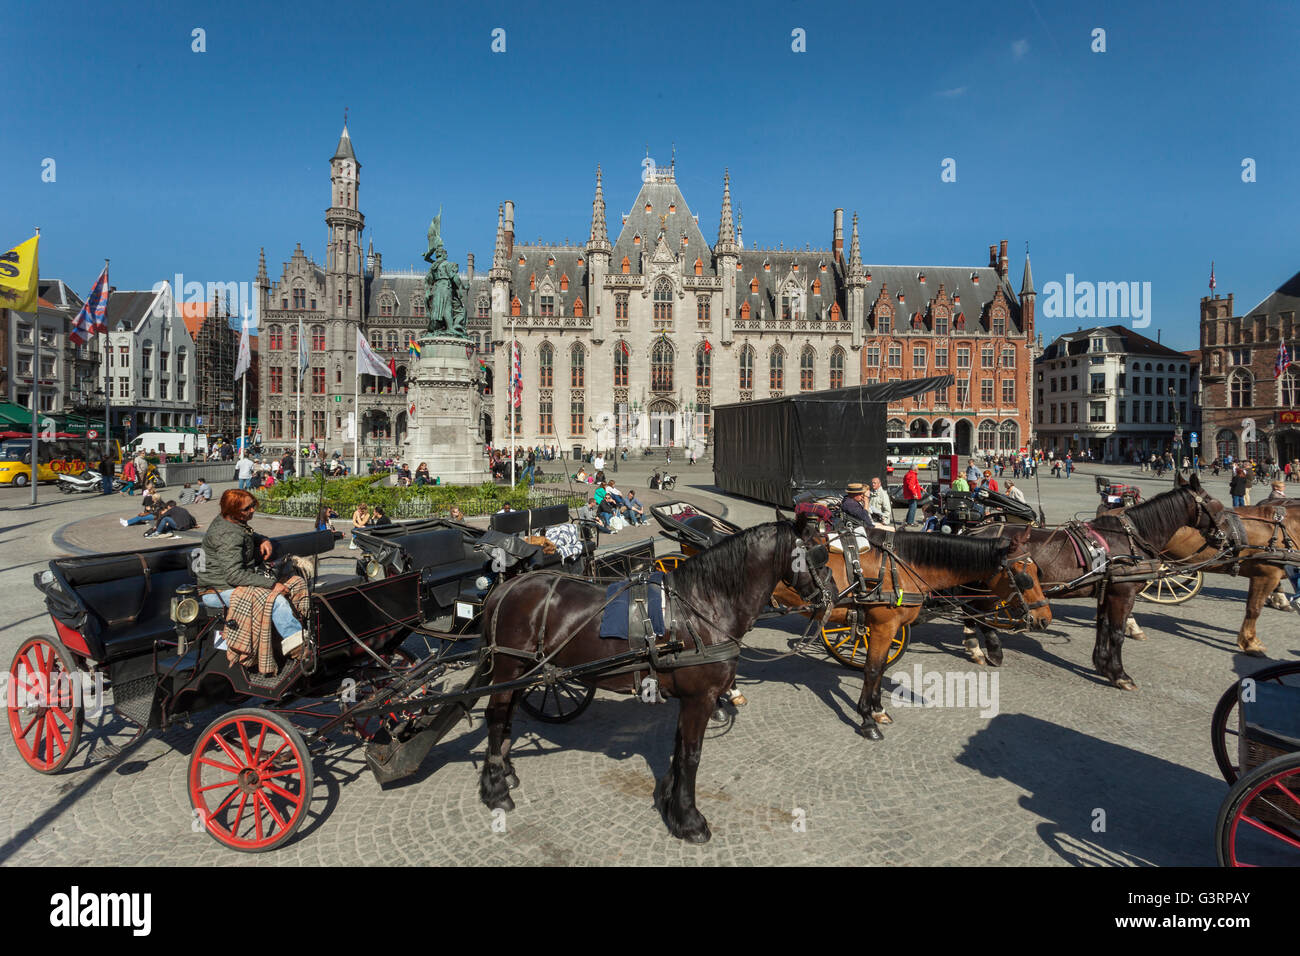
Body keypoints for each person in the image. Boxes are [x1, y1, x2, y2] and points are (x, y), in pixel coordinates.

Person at [196, 489, 305, 657]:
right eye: (247, 509)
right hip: (217, 590)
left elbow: (245, 533)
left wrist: (262, 539)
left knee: (296, 583)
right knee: (275, 600)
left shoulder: (231, 522)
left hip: (228, 584)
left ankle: (294, 635)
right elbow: (234, 575)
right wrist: (272, 585)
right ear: (232, 511)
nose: (252, 510)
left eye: (253, 505)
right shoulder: (227, 535)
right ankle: (300, 649)